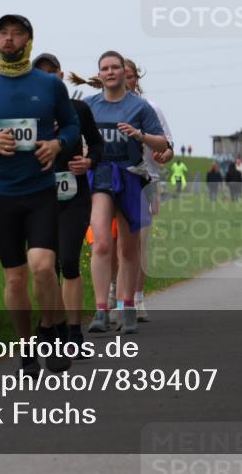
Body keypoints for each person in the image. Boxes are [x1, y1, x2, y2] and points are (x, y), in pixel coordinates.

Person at [0, 14, 80, 374]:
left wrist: (57, 145)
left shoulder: (49, 86)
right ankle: (26, 349)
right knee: (15, 278)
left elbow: (71, 127)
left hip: (40, 190)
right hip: (0, 195)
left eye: (16, 33)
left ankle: (49, 330)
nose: (8, 39)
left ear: (28, 41)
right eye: (3, 33)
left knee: (42, 267)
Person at [81, 51, 167, 335]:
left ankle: (128, 306)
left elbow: (162, 141)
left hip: (131, 176)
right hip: (101, 176)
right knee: (102, 244)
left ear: (123, 72)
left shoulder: (140, 107)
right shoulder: (89, 105)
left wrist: (139, 136)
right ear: (99, 74)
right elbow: (77, 138)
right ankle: (101, 310)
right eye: (104, 68)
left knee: (128, 248)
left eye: (115, 67)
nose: (110, 72)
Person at [32, 53, 104, 358]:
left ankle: (74, 334)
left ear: (61, 76)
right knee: (46, 268)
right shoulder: (27, 114)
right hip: (38, 198)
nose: (49, 79)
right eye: (42, 74)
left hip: (74, 196)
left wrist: (88, 161)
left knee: (70, 262)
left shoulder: (78, 109)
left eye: (53, 73)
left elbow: (98, 145)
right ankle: (52, 327)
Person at [122, 58, 174, 323]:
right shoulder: (103, 108)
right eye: (121, 75)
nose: (125, 81)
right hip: (112, 183)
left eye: (129, 76)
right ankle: (113, 297)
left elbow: (169, 146)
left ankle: (138, 296)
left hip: (146, 181)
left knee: (140, 242)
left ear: (136, 79)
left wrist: (164, 155)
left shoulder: (150, 108)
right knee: (109, 245)